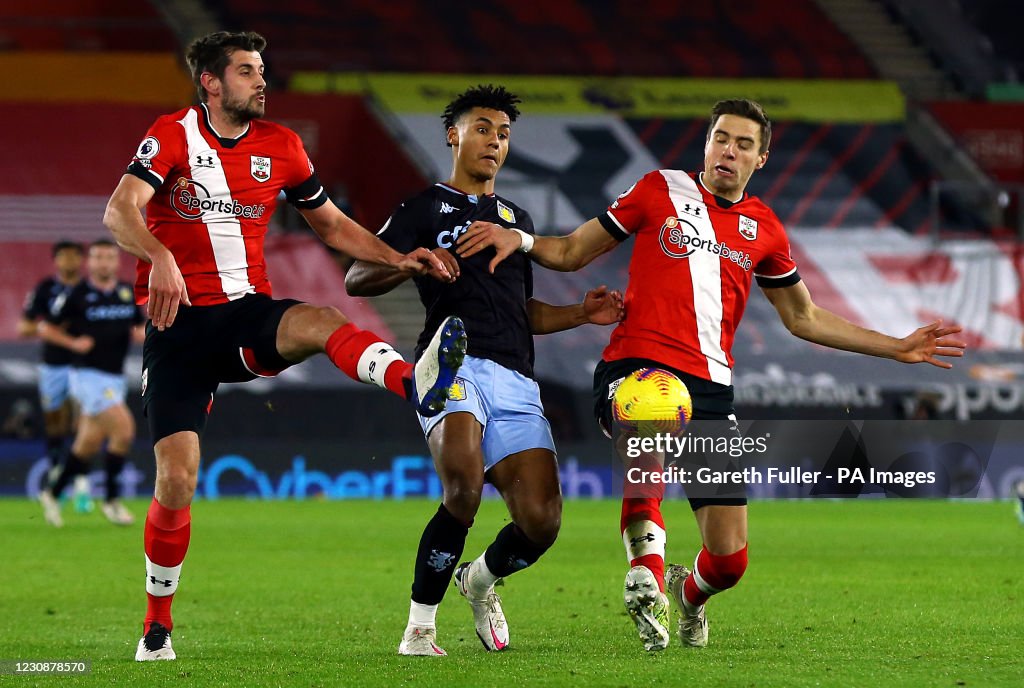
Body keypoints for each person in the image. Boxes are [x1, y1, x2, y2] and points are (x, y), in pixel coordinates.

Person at [455, 98, 967, 651]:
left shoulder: (764, 228)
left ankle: (688, 595)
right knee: (652, 408)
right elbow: (574, 251)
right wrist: (524, 241)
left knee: (730, 560)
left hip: (711, 388)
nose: (729, 150)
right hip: (636, 365)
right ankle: (645, 572)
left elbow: (804, 317)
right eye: (721, 138)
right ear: (707, 143)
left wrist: (896, 347)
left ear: (761, 158)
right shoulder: (658, 189)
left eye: (744, 143)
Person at [102, 31, 468, 662]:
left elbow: (329, 223)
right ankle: (157, 626)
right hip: (178, 331)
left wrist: (398, 258)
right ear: (211, 83)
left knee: (322, 318)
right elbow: (119, 210)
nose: (261, 81)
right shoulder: (171, 135)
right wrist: (159, 255)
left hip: (246, 318)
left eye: (262, 70)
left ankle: (417, 384)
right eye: (246, 71)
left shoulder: (284, 145)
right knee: (177, 480)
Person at [346, 85, 624, 656]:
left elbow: (522, 313)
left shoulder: (515, 220)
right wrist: (408, 260)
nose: (494, 141)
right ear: (453, 134)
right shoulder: (422, 207)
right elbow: (356, 277)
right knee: (464, 489)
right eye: (482, 128)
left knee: (542, 523)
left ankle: (479, 580)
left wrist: (581, 313)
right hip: (451, 363)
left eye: (502, 133)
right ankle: (419, 629)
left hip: (516, 377)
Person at [37, 240, 145, 527]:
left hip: (114, 377)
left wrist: (151, 336)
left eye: (109, 257)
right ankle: (111, 500)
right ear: (90, 263)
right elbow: (45, 327)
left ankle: (52, 493)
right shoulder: (77, 295)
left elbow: (137, 328)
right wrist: (72, 342)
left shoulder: (125, 293)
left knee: (87, 444)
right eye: (98, 257)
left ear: (116, 262)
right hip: (86, 376)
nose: (104, 263)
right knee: (124, 430)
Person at [18, 241, 88, 506]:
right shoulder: (45, 289)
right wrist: (50, 331)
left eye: (73, 256)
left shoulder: (88, 290)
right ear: (56, 260)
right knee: (55, 422)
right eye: (63, 256)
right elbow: (24, 327)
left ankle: (81, 482)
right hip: (52, 364)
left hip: (83, 365)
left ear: (81, 260)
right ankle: (58, 471)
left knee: (82, 421)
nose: (69, 261)